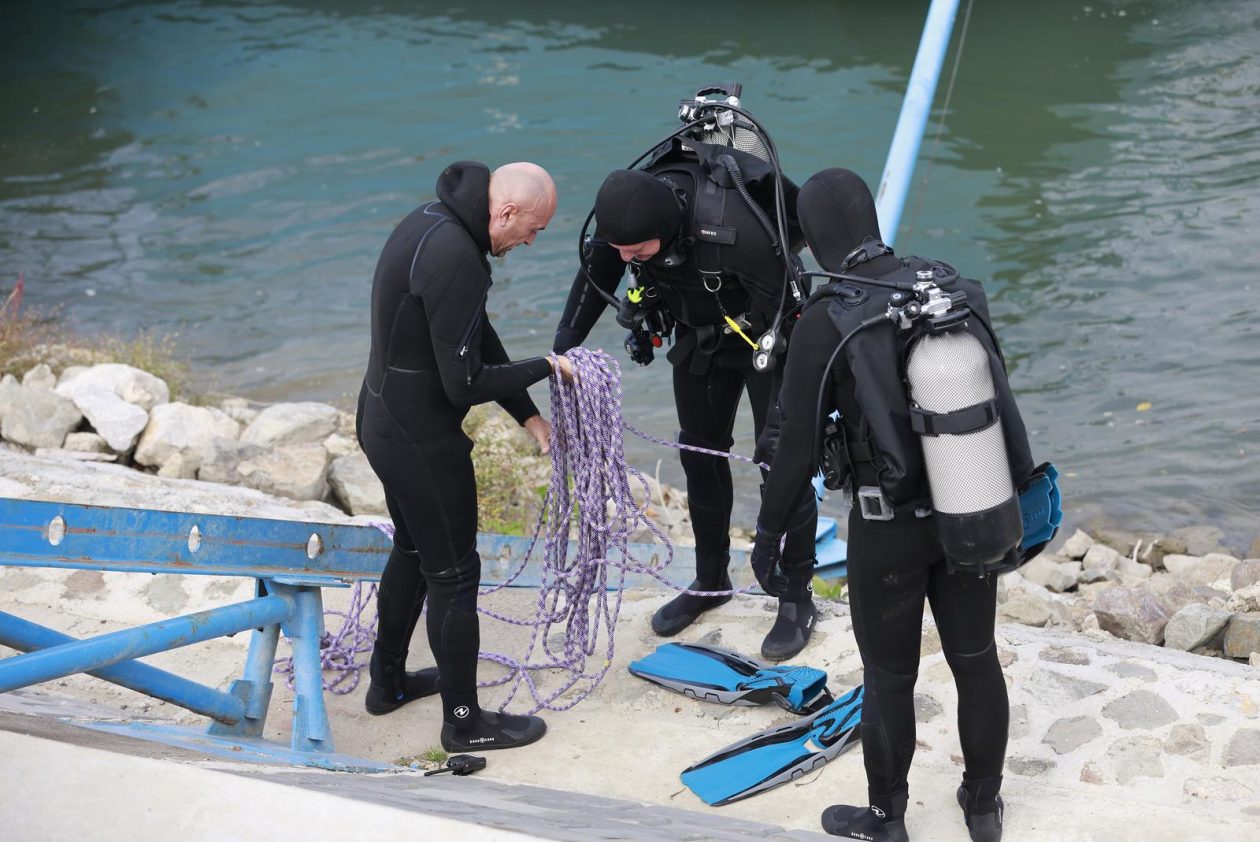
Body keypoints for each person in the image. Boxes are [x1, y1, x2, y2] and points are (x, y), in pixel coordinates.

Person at [751, 168, 1037, 841]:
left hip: (886, 529)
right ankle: (983, 807)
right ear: (871, 218)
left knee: (888, 677)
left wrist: (768, 538)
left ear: (813, 234)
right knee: (976, 659)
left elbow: (793, 450)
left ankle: (886, 819)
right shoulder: (954, 290)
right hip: (971, 507)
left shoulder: (825, 319)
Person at [552, 117, 820, 661]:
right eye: (619, 249)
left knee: (780, 461)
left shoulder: (737, 229)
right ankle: (711, 579)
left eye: (637, 251)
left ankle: (796, 595)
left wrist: (785, 420)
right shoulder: (624, 226)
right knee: (699, 455)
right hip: (700, 339)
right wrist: (563, 350)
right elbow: (593, 283)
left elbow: (793, 320)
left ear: (669, 228)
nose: (625, 259)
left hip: (767, 336)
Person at [356, 160, 574, 752]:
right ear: (506, 212)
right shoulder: (459, 257)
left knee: (413, 548)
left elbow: (470, 331)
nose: (530, 242)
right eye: (532, 230)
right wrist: (547, 366)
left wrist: (528, 414)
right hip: (421, 441)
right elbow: (466, 381)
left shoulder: (433, 221)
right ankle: (464, 723)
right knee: (454, 575)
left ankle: (387, 684)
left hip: (382, 418)